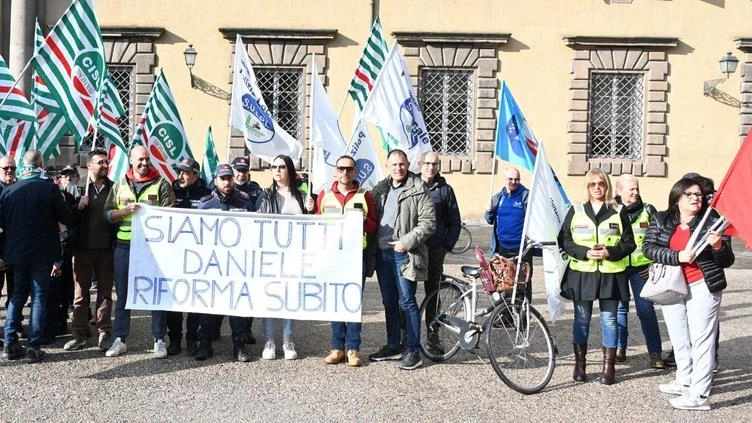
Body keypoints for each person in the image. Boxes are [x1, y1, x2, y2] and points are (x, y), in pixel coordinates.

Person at [642, 178, 733, 411]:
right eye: (689, 194)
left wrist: (718, 246)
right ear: (677, 197)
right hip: (671, 285)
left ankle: (700, 396)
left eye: (699, 195)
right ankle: (684, 380)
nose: (695, 198)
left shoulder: (713, 222)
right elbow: (649, 248)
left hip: (702, 284)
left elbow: (727, 260)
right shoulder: (661, 219)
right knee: (679, 336)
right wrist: (677, 256)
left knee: (702, 339)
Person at [558, 169, 635, 385]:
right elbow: (564, 240)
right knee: (581, 319)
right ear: (587, 187)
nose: (597, 187)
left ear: (607, 186)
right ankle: (580, 365)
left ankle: (608, 367)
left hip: (611, 274)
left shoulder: (619, 211)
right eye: (592, 184)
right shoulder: (576, 210)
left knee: (609, 319)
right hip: (582, 273)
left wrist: (611, 252)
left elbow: (630, 243)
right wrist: (584, 252)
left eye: (601, 183)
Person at [0, 150, 73, 363]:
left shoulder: (9, 191)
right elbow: (66, 217)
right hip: (42, 252)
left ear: (23, 166)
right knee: (39, 296)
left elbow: (2, 225)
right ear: (41, 164)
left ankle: (10, 342)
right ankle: (33, 345)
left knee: (17, 295)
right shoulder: (49, 189)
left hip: (16, 251)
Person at [104, 145, 174, 358]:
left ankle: (159, 339)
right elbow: (107, 214)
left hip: (152, 248)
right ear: (132, 161)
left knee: (155, 292)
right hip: (125, 246)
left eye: (147, 160)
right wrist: (124, 211)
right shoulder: (120, 184)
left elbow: (171, 214)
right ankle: (120, 339)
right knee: (123, 293)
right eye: (140, 160)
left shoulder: (162, 183)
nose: (144, 164)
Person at [369, 149, 435, 370]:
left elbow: (428, 223)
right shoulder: (380, 189)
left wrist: (405, 242)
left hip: (404, 254)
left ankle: (413, 350)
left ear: (408, 165)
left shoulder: (418, 189)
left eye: (402, 164)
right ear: (388, 166)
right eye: (394, 164)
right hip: (382, 255)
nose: (398, 168)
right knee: (389, 302)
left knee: (406, 301)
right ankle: (393, 344)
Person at [313, 155, 377, 367]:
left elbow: (374, 226)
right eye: (341, 168)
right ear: (335, 171)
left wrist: (362, 221)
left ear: (355, 172)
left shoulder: (364, 195)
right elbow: (315, 225)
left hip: (355, 256)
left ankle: (353, 348)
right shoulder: (324, 195)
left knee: (353, 302)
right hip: (332, 256)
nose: (345, 173)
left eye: (349, 169)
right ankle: (337, 347)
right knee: (335, 302)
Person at [147, 158, 212, 357]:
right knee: (173, 298)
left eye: (186, 172)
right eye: (180, 172)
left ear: (196, 174)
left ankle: (192, 339)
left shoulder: (206, 194)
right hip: (174, 254)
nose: (181, 176)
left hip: (197, 255)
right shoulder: (171, 190)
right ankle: (174, 338)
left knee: (194, 299)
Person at [196, 164, 255, 362]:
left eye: (229, 178)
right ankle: (205, 343)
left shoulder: (245, 202)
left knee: (237, 305)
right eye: (223, 178)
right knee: (208, 306)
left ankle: (239, 344)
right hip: (212, 264)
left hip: (237, 263)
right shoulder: (206, 204)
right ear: (216, 181)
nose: (227, 182)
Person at [256, 155, 310, 360]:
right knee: (270, 296)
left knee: (290, 297)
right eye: (274, 167)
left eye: (282, 166)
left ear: (290, 170)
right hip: (271, 255)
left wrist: (311, 211)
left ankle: (288, 341)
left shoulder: (303, 197)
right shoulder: (265, 196)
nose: (277, 170)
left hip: (295, 255)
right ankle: (269, 341)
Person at [63, 150, 116, 352]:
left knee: (105, 294)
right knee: (80, 295)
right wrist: (78, 207)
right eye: (100, 162)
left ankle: (104, 332)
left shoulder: (114, 188)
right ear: (90, 165)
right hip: (82, 249)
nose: (104, 165)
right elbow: (66, 218)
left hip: (106, 249)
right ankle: (79, 333)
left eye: (106, 162)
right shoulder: (76, 187)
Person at [613, 174, 665, 368]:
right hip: (617, 267)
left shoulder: (648, 210)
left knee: (646, 311)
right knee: (619, 310)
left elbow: (661, 239)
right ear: (619, 191)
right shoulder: (611, 211)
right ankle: (620, 348)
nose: (635, 192)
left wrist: (654, 263)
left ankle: (655, 353)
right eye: (631, 189)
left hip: (642, 269)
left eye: (637, 189)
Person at [418, 151, 461, 355]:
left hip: (435, 250)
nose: (431, 167)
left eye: (435, 164)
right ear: (420, 164)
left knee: (433, 295)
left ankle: (432, 337)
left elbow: (455, 221)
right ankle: (405, 338)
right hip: (414, 249)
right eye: (427, 163)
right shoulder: (413, 185)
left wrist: (446, 245)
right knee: (406, 296)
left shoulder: (445, 190)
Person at [484, 167, 533, 300]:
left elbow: (536, 218)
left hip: (522, 248)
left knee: (523, 283)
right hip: (502, 248)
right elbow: (489, 220)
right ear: (505, 180)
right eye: (510, 179)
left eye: (517, 179)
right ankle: (504, 316)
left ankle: (523, 315)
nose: (514, 182)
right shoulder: (498, 197)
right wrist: (489, 211)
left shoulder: (526, 196)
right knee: (503, 283)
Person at [0, 155, 17, 311]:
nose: (9, 171)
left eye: (13, 168)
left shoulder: (21, 188)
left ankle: (15, 324)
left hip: (16, 249)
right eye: (6, 168)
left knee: (16, 291)